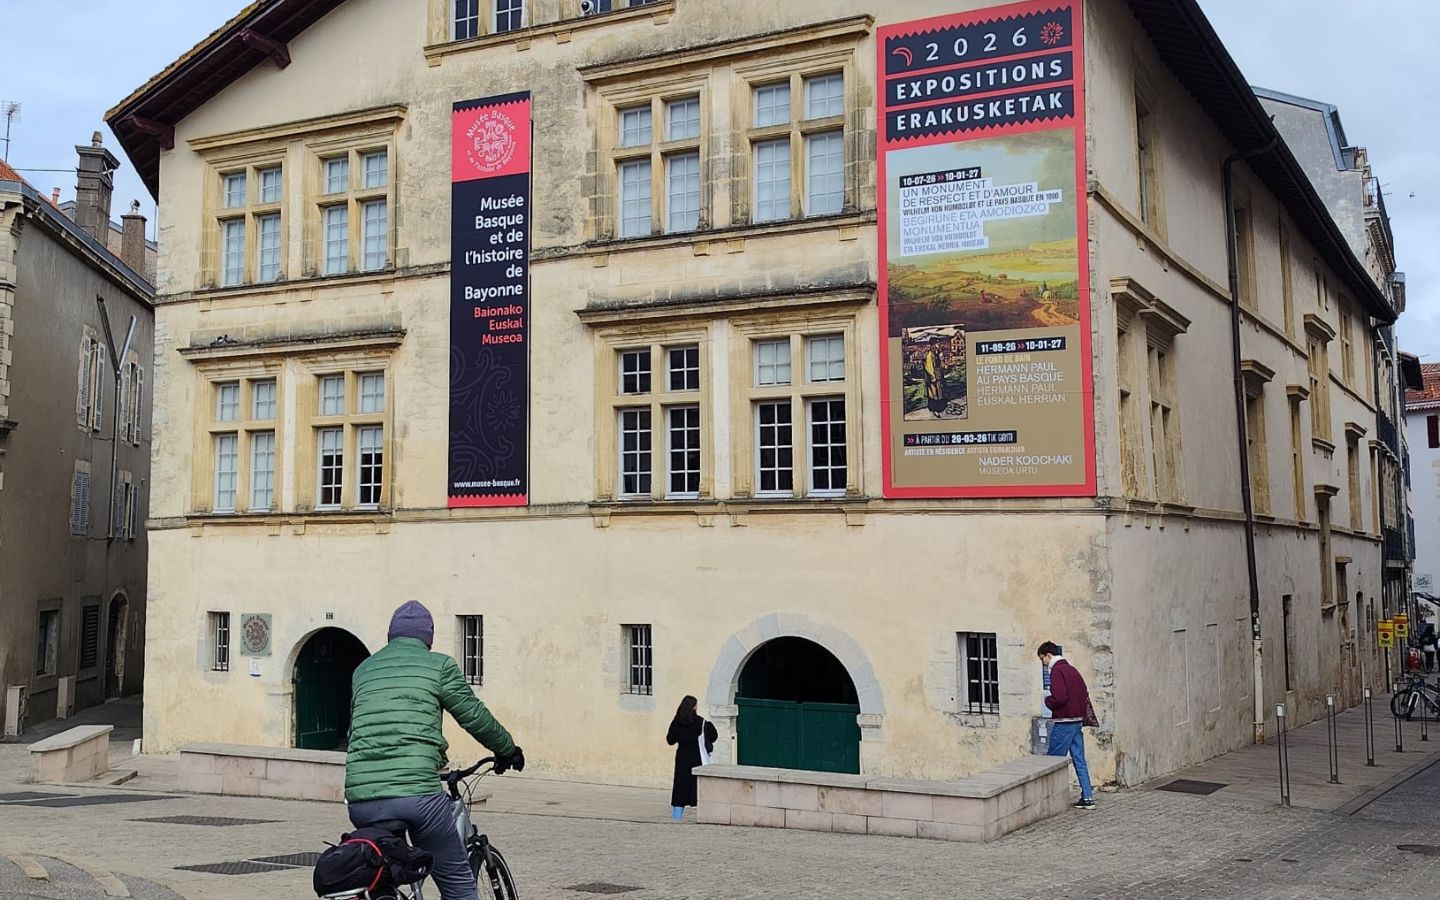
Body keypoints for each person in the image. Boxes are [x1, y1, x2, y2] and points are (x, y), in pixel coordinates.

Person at [346, 601, 524, 900]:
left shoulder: (364, 670)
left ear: (390, 636)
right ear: (428, 639)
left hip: (361, 800)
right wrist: (507, 749)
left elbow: (358, 731)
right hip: (417, 796)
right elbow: (474, 716)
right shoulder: (438, 665)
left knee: (382, 874)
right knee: (458, 884)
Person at [1038, 641, 1095, 811]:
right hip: (1078, 720)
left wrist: (1048, 701)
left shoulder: (1057, 671)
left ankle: (1049, 801)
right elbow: (1083, 692)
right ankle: (1087, 797)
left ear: (1048, 655)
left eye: (1042, 659)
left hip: (1065, 721)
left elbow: (1060, 697)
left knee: (1053, 761)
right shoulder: (1072, 669)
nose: (1043, 663)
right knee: (1079, 759)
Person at [665, 695, 718, 821]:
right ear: (694, 707)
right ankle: (703, 817)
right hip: (697, 758)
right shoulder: (701, 722)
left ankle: (676, 818)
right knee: (698, 788)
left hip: (682, 758)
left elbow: (670, 740)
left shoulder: (677, 722)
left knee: (680, 788)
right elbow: (714, 736)